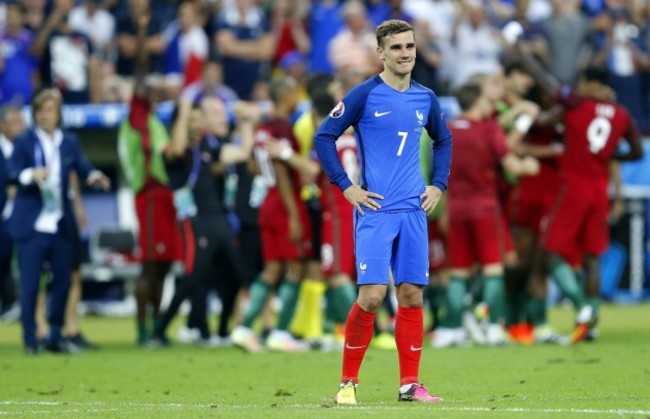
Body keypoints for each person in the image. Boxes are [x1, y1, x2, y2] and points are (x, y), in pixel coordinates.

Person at [314, 19, 452, 404]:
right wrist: (346, 186)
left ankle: (410, 385)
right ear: (381, 53)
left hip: (413, 210)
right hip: (375, 210)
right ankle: (347, 384)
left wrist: (438, 185)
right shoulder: (363, 94)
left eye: (409, 47)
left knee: (411, 295)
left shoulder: (426, 97)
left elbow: (444, 140)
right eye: (396, 48)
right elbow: (324, 137)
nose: (405, 54)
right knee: (373, 295)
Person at [516, 39, 643, 343]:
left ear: (587, 83)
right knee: (592, 259)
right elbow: (637, 153)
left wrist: (524, 55)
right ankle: (592, 323)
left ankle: (583, 306)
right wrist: (610, 155)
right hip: (600, 192)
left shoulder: (578, 103)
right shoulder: (622, 114)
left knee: (548, 251)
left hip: (573, 188)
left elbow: (549, 84)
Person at [434, 81, 539, 348]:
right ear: (478, 101)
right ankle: (493, 327)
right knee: (493, 269)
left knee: (458, 272)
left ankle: (451, 329)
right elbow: (512, 165)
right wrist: (528, 166)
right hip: (485, 208)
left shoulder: (449, 130)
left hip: (457, 209)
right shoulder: (488, 130)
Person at [6, 88, 110, 354]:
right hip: (33, 223)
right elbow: (11, 172)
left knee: (63, 281)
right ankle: (30, 338)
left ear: (59, 113)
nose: (44, 116)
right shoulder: (24, 141)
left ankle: (55, 334)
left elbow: (82, 165)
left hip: (60, 222)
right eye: (40, 110)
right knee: (31, 284)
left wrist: (95, 175)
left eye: (50, 110)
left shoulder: (69, 141)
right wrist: (31, 174)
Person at [151, 99, 255, 346]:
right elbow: (177, 148)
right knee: (193, 276)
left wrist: (247, 124)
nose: (198, 125)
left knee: (237, 273)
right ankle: (159, 331)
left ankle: (221, 331)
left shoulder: (207, 148)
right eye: (192, 120)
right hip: (194, 221)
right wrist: (184, 109)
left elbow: (241, 153)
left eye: (200, 119)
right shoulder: (173, 151)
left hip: (217, 220)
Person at [230, 76, 312, 353]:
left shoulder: (263, 129)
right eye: (294, 93)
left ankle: (243, 329)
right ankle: (280, 332)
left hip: (267, 202)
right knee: (296, 267)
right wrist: (293, 214)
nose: (297, 98)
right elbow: (281, 172)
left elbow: (254, 166)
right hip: (283, 204)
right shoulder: (281, 128)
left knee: (272, 268)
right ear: (286, 95)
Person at [117, 14, 181, 346]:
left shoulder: (153, 120)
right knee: (150, 265)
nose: (154, 91)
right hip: (150, 195)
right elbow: (141, 76)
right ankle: (143, 329)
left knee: (166, 263)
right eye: (148, 89)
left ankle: (156, 327)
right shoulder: (135, 118)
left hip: (165, 196)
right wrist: (142, 35)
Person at [0, 106, 24, 322]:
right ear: (2, 126)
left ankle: (15, 304)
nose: (22, 127)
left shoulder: (26, 148)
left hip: (23, 217)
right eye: (16, 123)